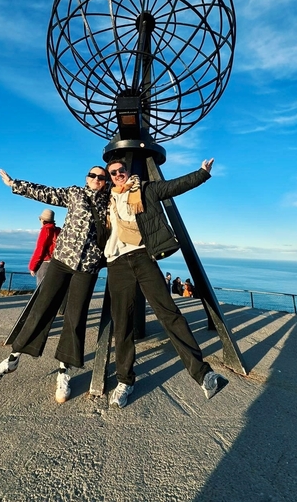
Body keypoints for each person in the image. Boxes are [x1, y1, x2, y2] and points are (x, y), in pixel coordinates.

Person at [104, 158, 227, 408]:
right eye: (113, 173)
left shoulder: (146, 190)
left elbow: (174, 187)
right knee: (122, 325)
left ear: (128, 171)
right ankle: (125, 381)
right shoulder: (105, 199)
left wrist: (202, 173)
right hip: (117, 263)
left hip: (142, 257)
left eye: (121, 170)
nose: (118, 174)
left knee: (170, 314)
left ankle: (204, 375)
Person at [0, 165, 109, 404]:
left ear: (106, 181)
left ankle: (64, 371)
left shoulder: (111, 200)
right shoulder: (74, 194)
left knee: (76, 317)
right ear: (86, 178)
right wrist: (15, 185)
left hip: (87, 267)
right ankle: (13, 359)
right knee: (41, 309)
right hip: (62, 261)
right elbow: (46, 192)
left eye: (101, 177)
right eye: (92, 175)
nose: (96, 179)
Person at [29, 209, 61, 287]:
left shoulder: (45, 230)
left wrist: (32, 266)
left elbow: (40, 249)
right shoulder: (58, 230)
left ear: (43, 220)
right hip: (56, 263)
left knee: (42, 288)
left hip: (45, 263)